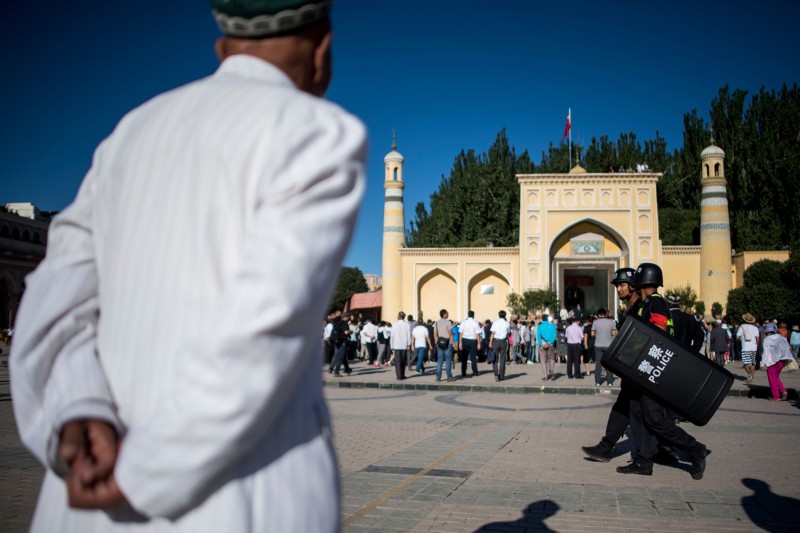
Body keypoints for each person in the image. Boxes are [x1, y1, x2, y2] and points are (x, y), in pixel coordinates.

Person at [10, 2, 364, 531]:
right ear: (323, 48)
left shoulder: (130, 133)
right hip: (237, 500)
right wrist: (143, 471)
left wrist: (76, 412)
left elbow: (53, 303)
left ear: (222, 49)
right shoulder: (318, 133)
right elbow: (262, 330)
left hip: (86, 500)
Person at [623, 263, 708, 479]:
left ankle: (694, 449)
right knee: (637, 416)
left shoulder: (656, 302)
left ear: (642, 282)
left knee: (654, 419)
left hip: (651, 369)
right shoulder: (646, 303)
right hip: (640, 370)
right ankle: (643, 461)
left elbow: (659, 330)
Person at [761, 322, 795, 401]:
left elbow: (766, 352)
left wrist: (762, 363)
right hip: (782, 359)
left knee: (772, 378)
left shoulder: (766, 340)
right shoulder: (781, 337)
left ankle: (776, 396)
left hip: (772, 361)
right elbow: (787, 347)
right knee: (775, 377)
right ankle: (783, 390)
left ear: (766, 332)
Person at [591, 308, 616, 386]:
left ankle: (597, 381)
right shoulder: (611, 322)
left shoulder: (595, 322)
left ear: (598, 315)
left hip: (598, 345)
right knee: (608, 363)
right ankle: (610, 382)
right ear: (606, 314)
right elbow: (614, 333)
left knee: (598, 364)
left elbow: (592, 334)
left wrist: (598, 335)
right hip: (608, 345)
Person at [737, 314, 760, 383]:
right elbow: (758, 338)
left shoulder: (742, 327)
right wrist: (756, 345)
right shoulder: (755, 328)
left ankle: (749, 374)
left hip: (745, 347)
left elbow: (737, 337)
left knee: (745, 363)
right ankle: (751, 377)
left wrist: (739, 339)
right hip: (753, 348)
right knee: (752, 363)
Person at [434, 309, 456, 382]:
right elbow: (450, 334)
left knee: (439, 360)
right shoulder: (448, 322)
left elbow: (435, 334)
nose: (448, 314)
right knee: (448, 360)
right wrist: (453, 344)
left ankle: (438, 377)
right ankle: (449, 376)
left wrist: (436, 341)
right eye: (447, 313)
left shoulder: (436, 323)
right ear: (444, 314)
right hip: (448, 343)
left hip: (439, 343)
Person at [489, 310, 511, 382]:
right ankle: (501, 376)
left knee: (495, 358)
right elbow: (509, 333)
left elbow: (492, 333)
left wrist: (490, 342)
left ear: (499, 315)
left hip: (495, 340)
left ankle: (496, 374)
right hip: (503, 341)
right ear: (505, 316)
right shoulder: (507, 324)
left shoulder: (495, 322)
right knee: (502, 359)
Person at [459, 310, 481, 377]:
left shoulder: (463, 323)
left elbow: (460, 333)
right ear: (473, 315)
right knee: (473, 357)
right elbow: (478, 334)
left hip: (464, 340)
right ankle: (475, 372)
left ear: (468, 315)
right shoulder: (475, 323)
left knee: (464, 358)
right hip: (473, 341)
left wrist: (460, 343)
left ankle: (463, 372)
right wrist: (479, 343)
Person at [391, 311, 412, 380]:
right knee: (403, 361)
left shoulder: (394, 324)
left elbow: (392, 336)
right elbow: (408, 335)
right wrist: (409, 344)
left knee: (397, 361)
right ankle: (402, 375)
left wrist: (391, 344)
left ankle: (399, 376)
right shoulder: (407, 325)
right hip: (404, 345)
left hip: (396, 345)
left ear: (399, 316)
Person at [537, 316, 557, 380]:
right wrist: (549, 343)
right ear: (548, 319)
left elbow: (538, 337)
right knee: (551, 358)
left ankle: (545, 376)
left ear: (542, 319)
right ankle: (551, 371)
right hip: (550, 344)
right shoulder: (552, 326)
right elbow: (554, 335)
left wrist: (541, 344)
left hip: (542, 345)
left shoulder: (539, 326)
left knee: (543, 360)